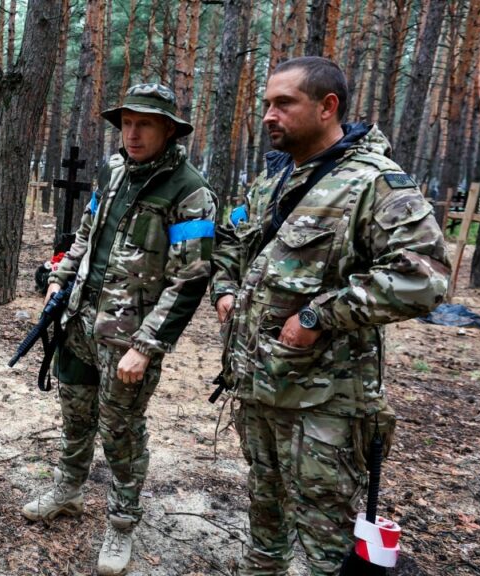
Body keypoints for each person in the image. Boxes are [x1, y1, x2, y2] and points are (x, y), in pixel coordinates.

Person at [210, 57, 450, 575]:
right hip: (258, 384)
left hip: (325, 404)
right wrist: (225, 288)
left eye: (284, 104)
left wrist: (320, 316)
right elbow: (232, 240)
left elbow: (424, 279)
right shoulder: (271, 180)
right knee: (263, 511)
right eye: (267, 105)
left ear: (327, 107)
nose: (269, 116)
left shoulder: (373, 183)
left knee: (324, 536)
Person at [23, 84, 217, 576]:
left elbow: (190, 280)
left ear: (169, 130)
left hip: (128, 338)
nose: (132, 133)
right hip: (79, 321)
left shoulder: (190, 190)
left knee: (122, 433)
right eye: (127, 122)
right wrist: (60, 280)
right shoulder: (112, 171)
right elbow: (86, 233)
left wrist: (147, 348)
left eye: (145, 123)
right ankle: (67, 491)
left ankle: (122, 522)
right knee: (75, 415)